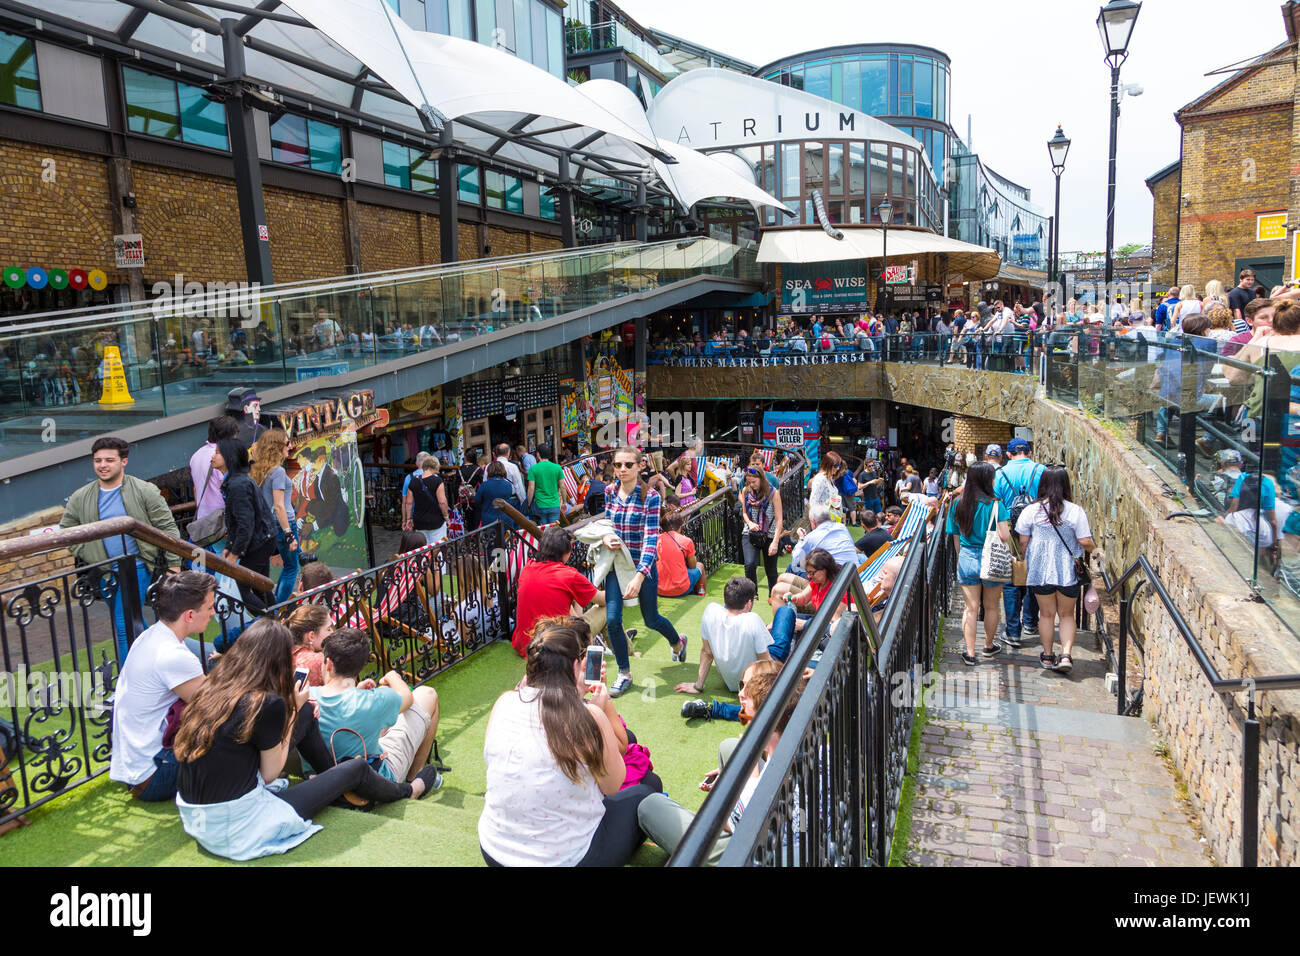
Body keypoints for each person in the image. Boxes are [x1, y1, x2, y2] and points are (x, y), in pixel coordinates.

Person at [174, 620, 437, 861]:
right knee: (357, 768)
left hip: (196, 816)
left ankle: (334, 782)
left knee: (309, 713)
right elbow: (269, 773)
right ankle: (409, 790)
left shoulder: (212, 688)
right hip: (239, 825)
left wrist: (300, 711)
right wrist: (294, 712)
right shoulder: (266, 704)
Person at [479, 623, 661, 866]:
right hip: (567, 859)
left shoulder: (505, 702)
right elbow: (614, 785)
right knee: (648, 789)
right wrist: (601, 707)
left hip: (494, 851)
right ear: (576, 665)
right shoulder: (589, 717)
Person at [639, 662, 802, 864]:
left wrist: (741, 768)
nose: (741, 696)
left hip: (756, 854)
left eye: (747, 711)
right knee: (730, 747)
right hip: (795, 836)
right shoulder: (811, 744)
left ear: (765, 721)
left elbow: (724, 820)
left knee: (650, 806)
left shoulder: (758, 787)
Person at [60, 436, 183, 660]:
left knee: (123, 623)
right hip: (103, 570)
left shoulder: (145, 490)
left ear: (123, 461)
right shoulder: (81, 497)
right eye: (97, 461)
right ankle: (176, 657)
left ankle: (131, 680)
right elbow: (66, 531)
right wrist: (88, 552)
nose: (103, 465)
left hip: (135, 566)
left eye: (109, 460)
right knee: (136, 622)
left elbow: (168, 529)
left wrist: (174, 565)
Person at [109, 572, 214, 801]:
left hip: (138, 769)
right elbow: (217, 706)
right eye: (209, 608)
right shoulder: (172, 655)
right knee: (230, 724)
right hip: (154, 775)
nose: (213, 613)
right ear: (189, 615)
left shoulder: (150, 636)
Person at [601, 445, 688, 697]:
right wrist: (606, 537)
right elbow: (607, 524)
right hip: (616, 563)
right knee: (613, 620)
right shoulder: (608, 492)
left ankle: (676, 642)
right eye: (618, 465)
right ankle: (624, 673)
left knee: (651, 619)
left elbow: (651, 538)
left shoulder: (649, 496)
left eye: (628, 464)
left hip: (643, 564)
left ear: (640, 466)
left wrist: (640, 575)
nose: (622, 469)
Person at [307, 628, 442, 788]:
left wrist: (356, 691)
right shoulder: (375, 699)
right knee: (428, 694)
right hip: (374, 782)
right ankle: (414, 775)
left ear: (328, 663)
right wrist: (393, 676)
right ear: (361, 665)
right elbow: (408, 697)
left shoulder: (306, 697)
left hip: (320, 777)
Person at [1015, 465, 1096, 673]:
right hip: (1068, 569)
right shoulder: (1075, 511)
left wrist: (1027, 556)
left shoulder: (1031, 510)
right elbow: (1084, 540)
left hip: (1040, 571)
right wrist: (1096, 550)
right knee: (1067, 614)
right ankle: (1066, 655)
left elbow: (1023, 541)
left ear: (1043, 484)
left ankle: (1048, 655)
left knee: (1046, 614)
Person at [675, 577, 772, 719]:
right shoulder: (753, 619)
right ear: (749, 603)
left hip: (731, 683)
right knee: (785, 614)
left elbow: (707, 653)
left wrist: (698, 685)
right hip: (754, 683)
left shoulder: (711, 611)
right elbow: (766, 663)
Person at [946, 461, 1011, 666]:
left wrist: (959, 557)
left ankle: (970, 652)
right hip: (991, 558)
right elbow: (1005, 535)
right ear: (987, 480)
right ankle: (989, 645)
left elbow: (955, 535)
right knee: (991, 607)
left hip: (967, 556)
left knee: (970, 608)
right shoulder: (995, 504)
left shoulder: (958, 502)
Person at [512, 526, 603, 657]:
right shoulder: (569, 575)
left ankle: (603, 642)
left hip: (526, 646)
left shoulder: (528, 568)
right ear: (566, 553)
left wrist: (578, 596)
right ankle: (625, 650)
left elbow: (575, 617)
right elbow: (604, 600)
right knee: (607, 608)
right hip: (556, 647)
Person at [213, 438, 277, 614]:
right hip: (263, 539)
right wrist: (229, 546)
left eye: (218, 453)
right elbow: (236, 522)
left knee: (241, 591)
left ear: (229, 457)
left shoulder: (238, 484)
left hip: (260, 541)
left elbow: (245, 523)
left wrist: (234, 553)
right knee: (260, 587)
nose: (213, 457)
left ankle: (274, 625)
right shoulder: (236, 481)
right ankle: (280, 622)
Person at [993, 437, 1045, 648]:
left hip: (1009, 529)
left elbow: (995, 502)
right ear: (1030, 452)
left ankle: (1013, 632)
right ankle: (1031, 622)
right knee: (1033, 574)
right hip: (1036, 529)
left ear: (1008, 454)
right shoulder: (1040, 470)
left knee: (1011, 579)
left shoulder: (1000, 473)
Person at [251, 429, 299, 605]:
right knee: (291, 568)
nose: (290, 446)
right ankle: (279, 608)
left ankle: (277, 605)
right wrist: (289, 533)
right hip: (283, 522)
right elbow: (279, 506)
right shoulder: (277, 471)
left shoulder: (260, 470)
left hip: (270, 524)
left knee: (290, 565)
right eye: (287, 443)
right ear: (277, 447)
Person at [189, 416, 240, 559]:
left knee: (220, 560)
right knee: (233, 564)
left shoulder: (196, 455)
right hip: (223, 521)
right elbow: (229, 489)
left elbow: (195, 488)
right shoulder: (222, 456)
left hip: (206, 521)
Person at [740, 464, 785, 596]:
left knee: (771, 571)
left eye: (754, 482)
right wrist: (749, 523)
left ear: (761, 479)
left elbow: (779, 520)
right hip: (750, 532)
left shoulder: (773, 493)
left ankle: (773, 596)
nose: (751, 485)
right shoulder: (746, 491)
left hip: (769, 534)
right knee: (749, 564)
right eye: (749, 482)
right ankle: (752, 595)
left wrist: (775, 542)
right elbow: (744, 513)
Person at [404, 454, 450, 546]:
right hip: (436, 520)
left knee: (423, 550)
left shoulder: (413, 481)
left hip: (419, 521)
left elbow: (409, 503)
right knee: (438, 549)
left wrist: (408, 518)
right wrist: (446, 517)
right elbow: (442, 502)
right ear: (435, 467)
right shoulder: (437, 481)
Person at [656, 507, 701, 598]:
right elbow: (693, 566)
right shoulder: (686, 541)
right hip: (680, 589)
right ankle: (701, 595)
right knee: (700, 566)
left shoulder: (656, 539)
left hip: (658, 589)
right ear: (680, 527)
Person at [286, 603, 332, 686]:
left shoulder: (282, 652)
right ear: (311, 636)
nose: (332, 632)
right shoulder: (319, 660)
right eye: (328, 629)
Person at [527, 443, 566, 525]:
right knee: (554, 531)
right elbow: (562, 486)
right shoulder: (557, 467)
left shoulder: (533, 469)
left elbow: (531, 488)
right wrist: (564, 502)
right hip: (554, 504)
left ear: (538, 454)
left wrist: (529, 504)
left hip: (540, 505)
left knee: (543, 532)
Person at [475, 460, 520, 528]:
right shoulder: (508, 485)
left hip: (489, 520)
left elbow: (477, 501)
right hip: (506, 519)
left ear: (489, 471)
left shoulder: (484, 485)